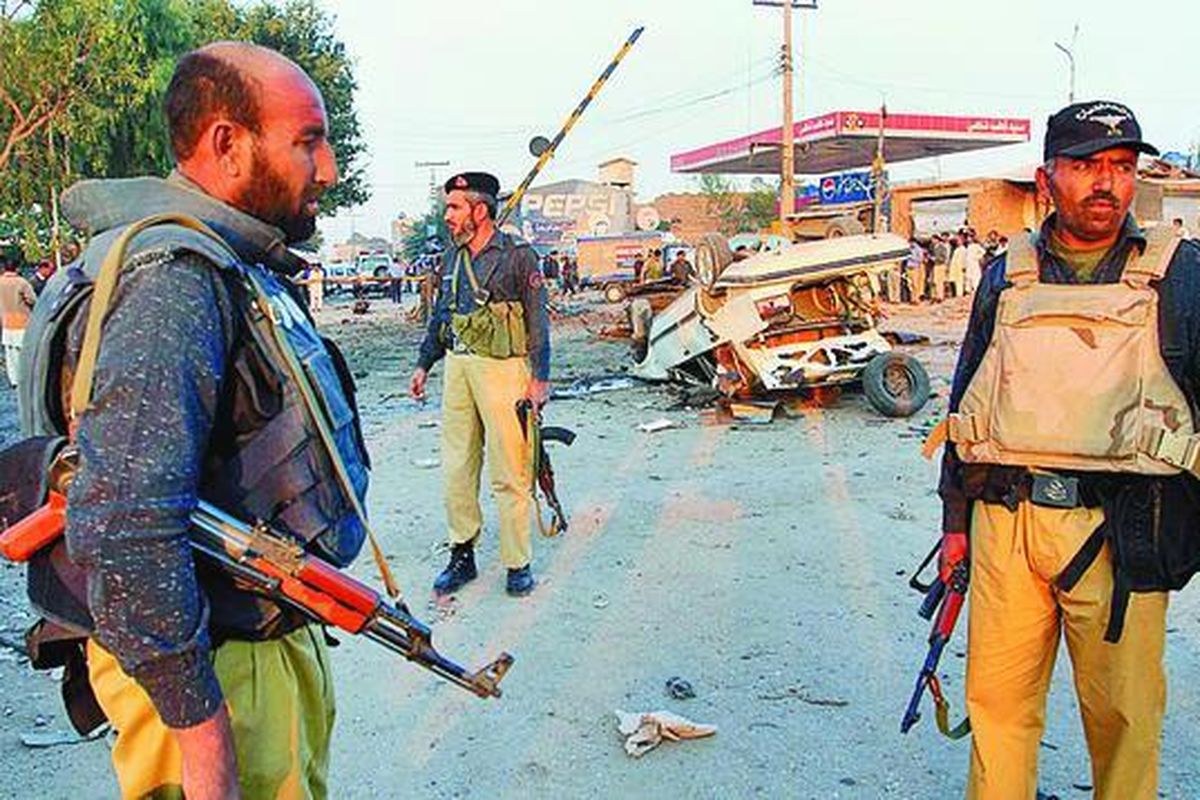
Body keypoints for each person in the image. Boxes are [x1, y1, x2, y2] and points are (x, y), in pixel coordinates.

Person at [18, 42, 367, 799]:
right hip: (216, 666)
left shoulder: (226, 262)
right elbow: (127, 529)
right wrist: (204, 739)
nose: (329, 168)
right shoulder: (173, 281)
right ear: (227, 144)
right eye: (308, 140)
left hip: (255, 640)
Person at [935, 100, 1200, 800]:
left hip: (1124, 529)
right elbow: (969, 398)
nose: (1106, 183)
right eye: (1086, 165)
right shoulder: (1005, 272)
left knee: (1124, 721)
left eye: (1120, 165)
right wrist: (954, 526)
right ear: (1047, 177)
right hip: (1007, 522)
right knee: (997, 712)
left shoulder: (1180, 273)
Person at [409, 171, 550, 598]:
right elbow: (441, 316)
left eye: (454, 207)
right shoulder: (451, 258)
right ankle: (462, 554)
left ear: (480, 210)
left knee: (510, 468)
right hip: (459, 368)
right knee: (458, 467)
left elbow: (537, 320)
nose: (447, 215)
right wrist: (424, 363)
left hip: (504, 370)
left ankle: (516, 560)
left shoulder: (518, 256)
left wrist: (539, 378)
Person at [0, 259, 36, 387]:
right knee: (24, 352)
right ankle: (25, 378)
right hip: (22, 321)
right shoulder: (22, 282)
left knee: (10, 353)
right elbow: (32, 300)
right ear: (17, 268)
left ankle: (14, 380)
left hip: (5, 322)